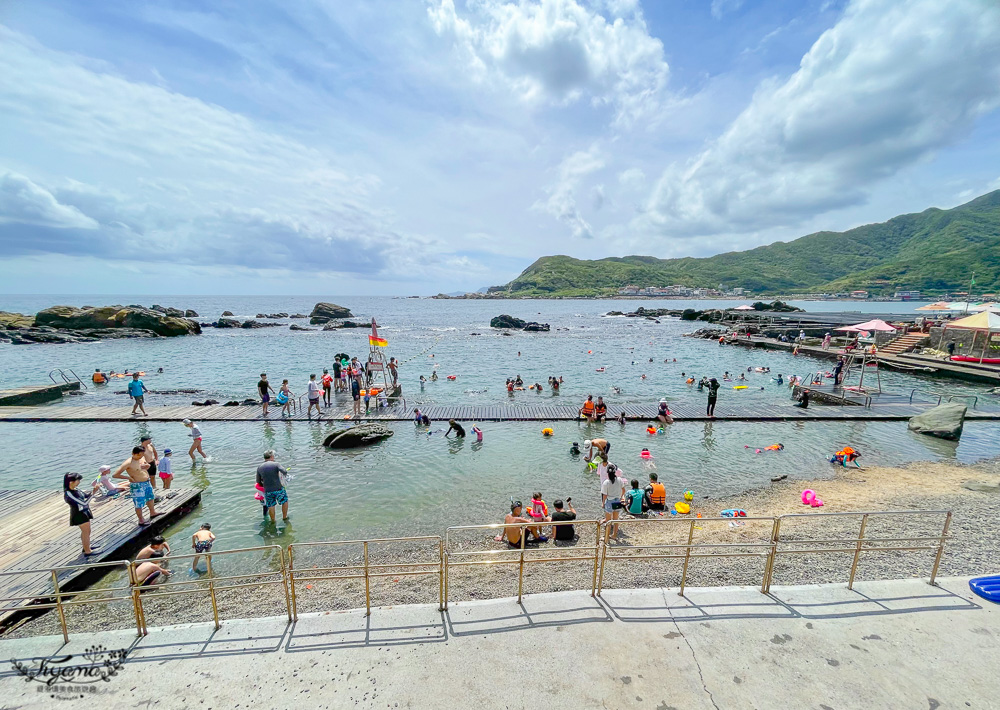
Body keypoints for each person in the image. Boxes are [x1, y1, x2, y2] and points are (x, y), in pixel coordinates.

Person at [113, 446, 161, 526]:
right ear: (133, 454)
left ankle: (152, 512)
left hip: (147, 482)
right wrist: (128, 477)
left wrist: (147, 466)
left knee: (150, 498)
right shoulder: (128, 463)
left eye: (142, 455)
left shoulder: (142, 458)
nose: (141, 456)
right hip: (137, 485)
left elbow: (146, 466)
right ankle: (141, 520)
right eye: (139, 455)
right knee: (139, 502)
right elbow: (115, 475)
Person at [64, 472, 98, 556]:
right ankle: (87, 551)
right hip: (79, 515)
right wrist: (94, 493)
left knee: (87, 531)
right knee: (85, 532)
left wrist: (93, 490)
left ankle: (86, 546)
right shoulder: (68, 493)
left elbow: (85, 496)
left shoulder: (76, 489)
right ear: (71, 482)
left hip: (84, 512)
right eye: (78, 480)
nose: (79, 482)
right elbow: (84, 503)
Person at [256, 450, 289, 522]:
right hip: (278, 489)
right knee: (284, 501)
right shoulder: (276, 464)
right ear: (272, 456)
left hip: (268, 491)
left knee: (271, 505)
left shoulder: (260, 467)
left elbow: (258, 481)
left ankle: (273, 520)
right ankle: (284, 517)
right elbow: (285, 472)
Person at [601, 466, 625, 538]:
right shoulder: (620, 480)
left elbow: (605, 495)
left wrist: (603, 503)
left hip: (609, 502)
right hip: (617, 501)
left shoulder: (606, 482)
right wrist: (621, 497)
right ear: (615, 472)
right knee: (615, 520)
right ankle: (614, 535)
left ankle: (607, 537)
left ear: (608, 473)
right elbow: (623, 490)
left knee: (608, 521)